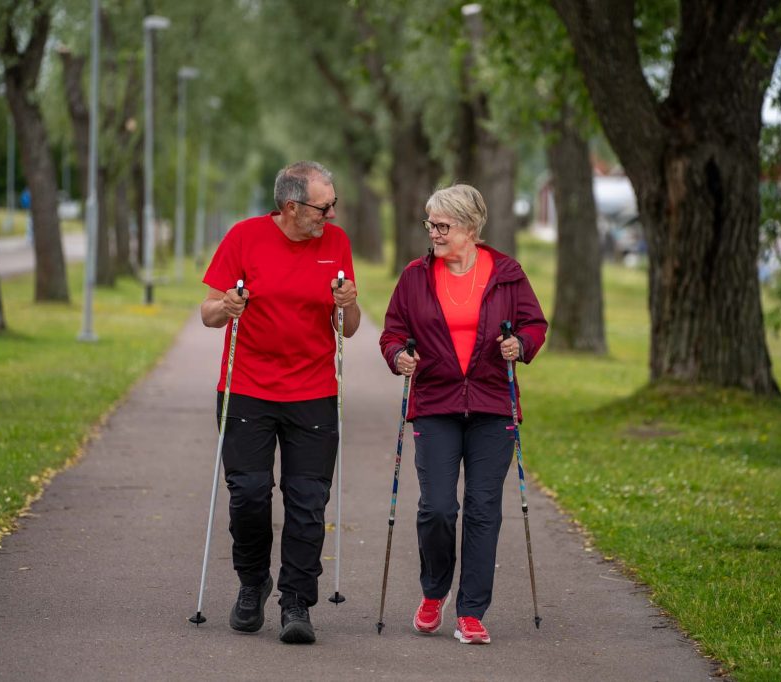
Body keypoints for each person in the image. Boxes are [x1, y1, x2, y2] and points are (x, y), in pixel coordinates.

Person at [379, 184, 547, 645]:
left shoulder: (508, 275)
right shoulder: (415, 276)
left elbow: (535, 323)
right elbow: (392, 333)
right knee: (437, 507)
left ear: (470, 228)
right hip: (435, 402)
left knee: (482, 509)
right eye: (429, 223)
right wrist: (399, 357)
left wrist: (522, 344)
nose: (432, 232)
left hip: (494, 404)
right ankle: (434, 592)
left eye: (442, 225)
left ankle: (472, 612)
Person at [200, 161, 359, 645]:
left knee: (308, 502)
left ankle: (296, 600)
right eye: (323, 206)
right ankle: (252, 584)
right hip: (248, 386)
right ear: (291, 206)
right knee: (248, 494)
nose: (331, 214)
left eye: (333, 204)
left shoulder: (336, 244)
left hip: (313, 392)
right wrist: (226, 306)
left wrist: (347, 302)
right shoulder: (244, 238)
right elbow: (208, 313)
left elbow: (348, 328)